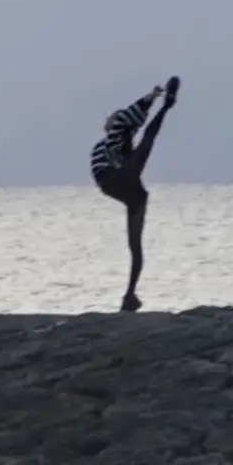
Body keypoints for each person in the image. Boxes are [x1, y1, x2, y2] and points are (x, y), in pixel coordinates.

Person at [91, 76, 180, 312]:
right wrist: (151, 98)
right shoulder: (110, 139)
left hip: (132, 191)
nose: (114, 119)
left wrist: (150, 100)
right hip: (117, 179)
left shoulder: (121, 141)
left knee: (136, 249)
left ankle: (129, 296)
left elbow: (132, 121)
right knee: (148, 140)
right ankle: (166, 108)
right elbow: (128, 117)